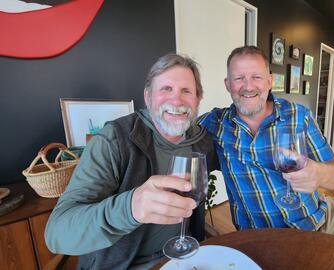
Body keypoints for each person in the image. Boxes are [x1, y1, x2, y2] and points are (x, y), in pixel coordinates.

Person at [198, 46, 334, 253]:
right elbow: (175, 133)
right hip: (261, 237)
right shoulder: (215, 124)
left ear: (270, 81)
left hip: (317, 216)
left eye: (256, 77)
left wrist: (318, 173)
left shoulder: (297, 115)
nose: (248, 86)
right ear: (227, 84)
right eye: (239, 78)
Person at [45, 54, 217, 269]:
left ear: (198, 99)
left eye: (186, 91)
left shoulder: (202, 141)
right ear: (148, 96)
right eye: (166, 89)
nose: (176, 100)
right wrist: (130, 208)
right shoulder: (113, 141)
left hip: (184, 259)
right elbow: (56, 234)